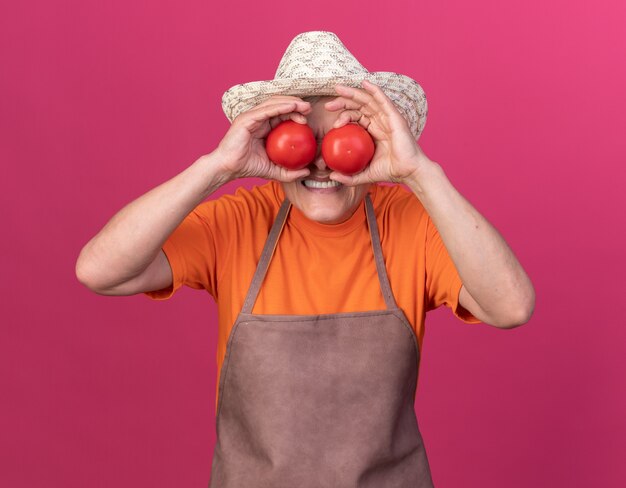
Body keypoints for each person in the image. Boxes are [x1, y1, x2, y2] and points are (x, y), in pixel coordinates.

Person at [76, 31, 535, 487]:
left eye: (343, 139)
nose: (320, 162)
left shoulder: (414, 223)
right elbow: (100, 271)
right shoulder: (238, 222)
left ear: (374, 142)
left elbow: (510, 307)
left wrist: (421, 173)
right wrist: (217, 167)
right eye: (300, 138)